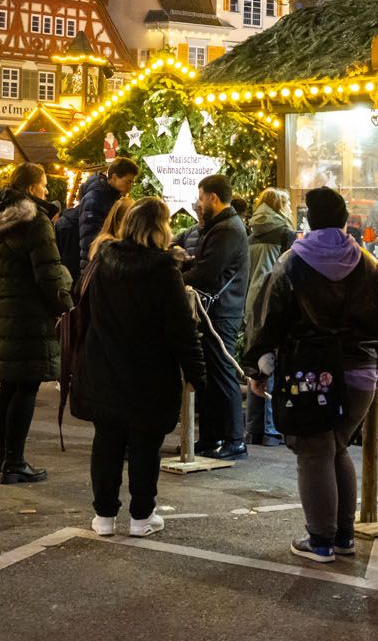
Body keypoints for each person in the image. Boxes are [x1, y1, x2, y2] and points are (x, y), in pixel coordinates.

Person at [244, 187, 378, 563]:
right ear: (345, 218)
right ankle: (343, 536)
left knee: (314, 453)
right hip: (360, 375)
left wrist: (257, 367)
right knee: (337, 447)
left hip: (308, 373)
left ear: (309, 220)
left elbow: (269, 318)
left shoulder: (292, 262)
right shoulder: (368, 264)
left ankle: (320, 541)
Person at [71, 197, 206, 537]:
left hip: (104, 365)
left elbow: (82, 305)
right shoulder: (163, 271)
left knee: (107, 441)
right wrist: (196, 373)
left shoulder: (103, 262)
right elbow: (181, 329)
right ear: (160, 228)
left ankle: (104, 516)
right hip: (150, 371)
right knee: (145, 446)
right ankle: (141, 517)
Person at [0, 163, 73, 484]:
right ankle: (15, 462)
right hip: (29, 312)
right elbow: (47, 270)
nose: (47, 191)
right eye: (44, 185)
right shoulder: (35, 220)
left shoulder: (0, 220)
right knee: (26, 384)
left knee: (9, 385)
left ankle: (4, 460)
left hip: (6, 310)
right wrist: (64, 304)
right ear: (32, 188)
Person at [182, 173, 250, 461]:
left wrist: (177, 277)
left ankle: (235, 439)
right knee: (210, 374)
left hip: (221, 312)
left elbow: (208, 273)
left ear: (212, 197)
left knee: (222, 372)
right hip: (215, 310)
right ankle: (211, 437)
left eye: (200, 198)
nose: (198, 205)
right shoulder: (222, 227)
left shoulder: (227, 230)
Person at [245, 188, 295, 446]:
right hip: (272, 300)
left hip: (251, 302)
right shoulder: (285, 233)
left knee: (256, 359)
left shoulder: (252, 232)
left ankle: (254, 427)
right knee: (273, 360)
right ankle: (271, 427)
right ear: (281, 206)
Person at [75, 157, 139, 279]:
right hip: (96, 268)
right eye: (128, 182)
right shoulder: (95, 199)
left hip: (104, 266)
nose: (130, 187)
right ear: (114, 177)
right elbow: (91, 239)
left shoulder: (110, 197)